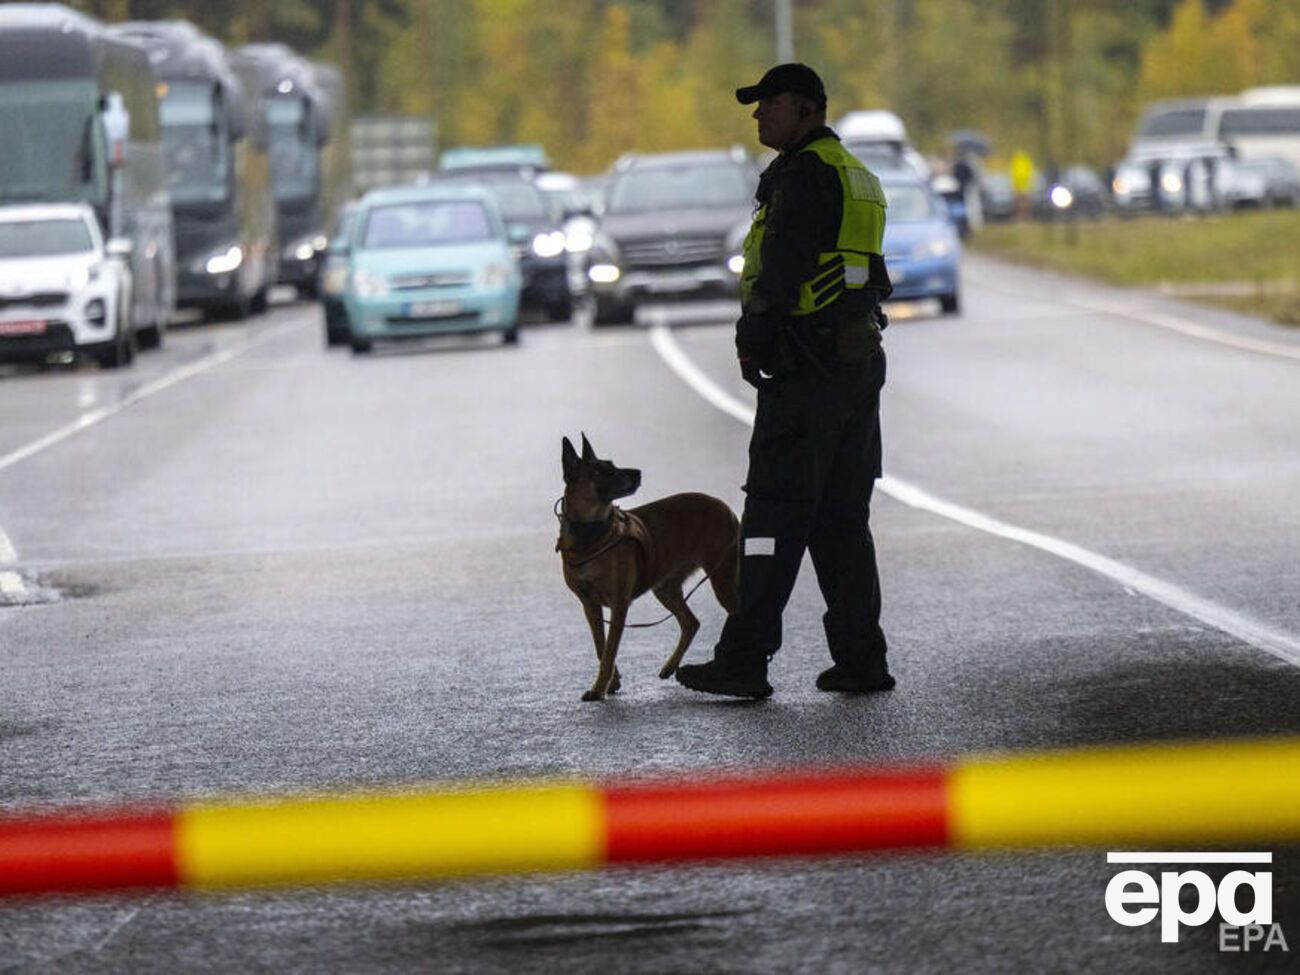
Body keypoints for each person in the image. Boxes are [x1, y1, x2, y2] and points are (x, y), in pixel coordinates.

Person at [675, 63, 894, 700]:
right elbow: (871, 272)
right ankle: (861, 660)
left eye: (768, 103)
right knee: (841, 522)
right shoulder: (857, 175)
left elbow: (781, 272)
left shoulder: (803, 176)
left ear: (804, 109)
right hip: (854, 363)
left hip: (807, 369)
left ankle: (743, 661)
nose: (757, 114)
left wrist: (754, 340)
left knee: (771, 514)